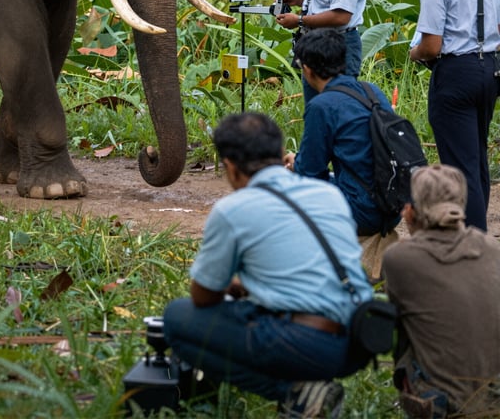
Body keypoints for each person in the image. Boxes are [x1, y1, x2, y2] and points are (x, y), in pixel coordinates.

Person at [163, 112, 373, 418]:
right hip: (359, 340)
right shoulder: (329, 194)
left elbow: (203, 297)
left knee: (178, 317)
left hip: (305, 344)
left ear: (231, 168)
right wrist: (253, 286)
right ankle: (308, 383)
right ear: (279, 153)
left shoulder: (232, 210)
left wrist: (232, 287)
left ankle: (296, 392)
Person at [408, 0, 500, 231]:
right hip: (490, 69)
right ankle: (481, 235)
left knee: (459, 166)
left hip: (455, 75)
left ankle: (472, 241)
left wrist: (414, 52)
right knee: (476, 159)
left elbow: (432, 47)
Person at [382, 164, 500, 418]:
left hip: (440, 404)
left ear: (412, 210)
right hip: (494, 397)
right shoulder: (493, 249)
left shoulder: (399, 259)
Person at [284, 29, 398, 279]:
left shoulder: (322, 106)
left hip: (363, 210)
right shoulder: (372, 92)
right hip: (392, 204)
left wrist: (295, 164)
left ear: (307, 70)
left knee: (284, 188)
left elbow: (310, 173)